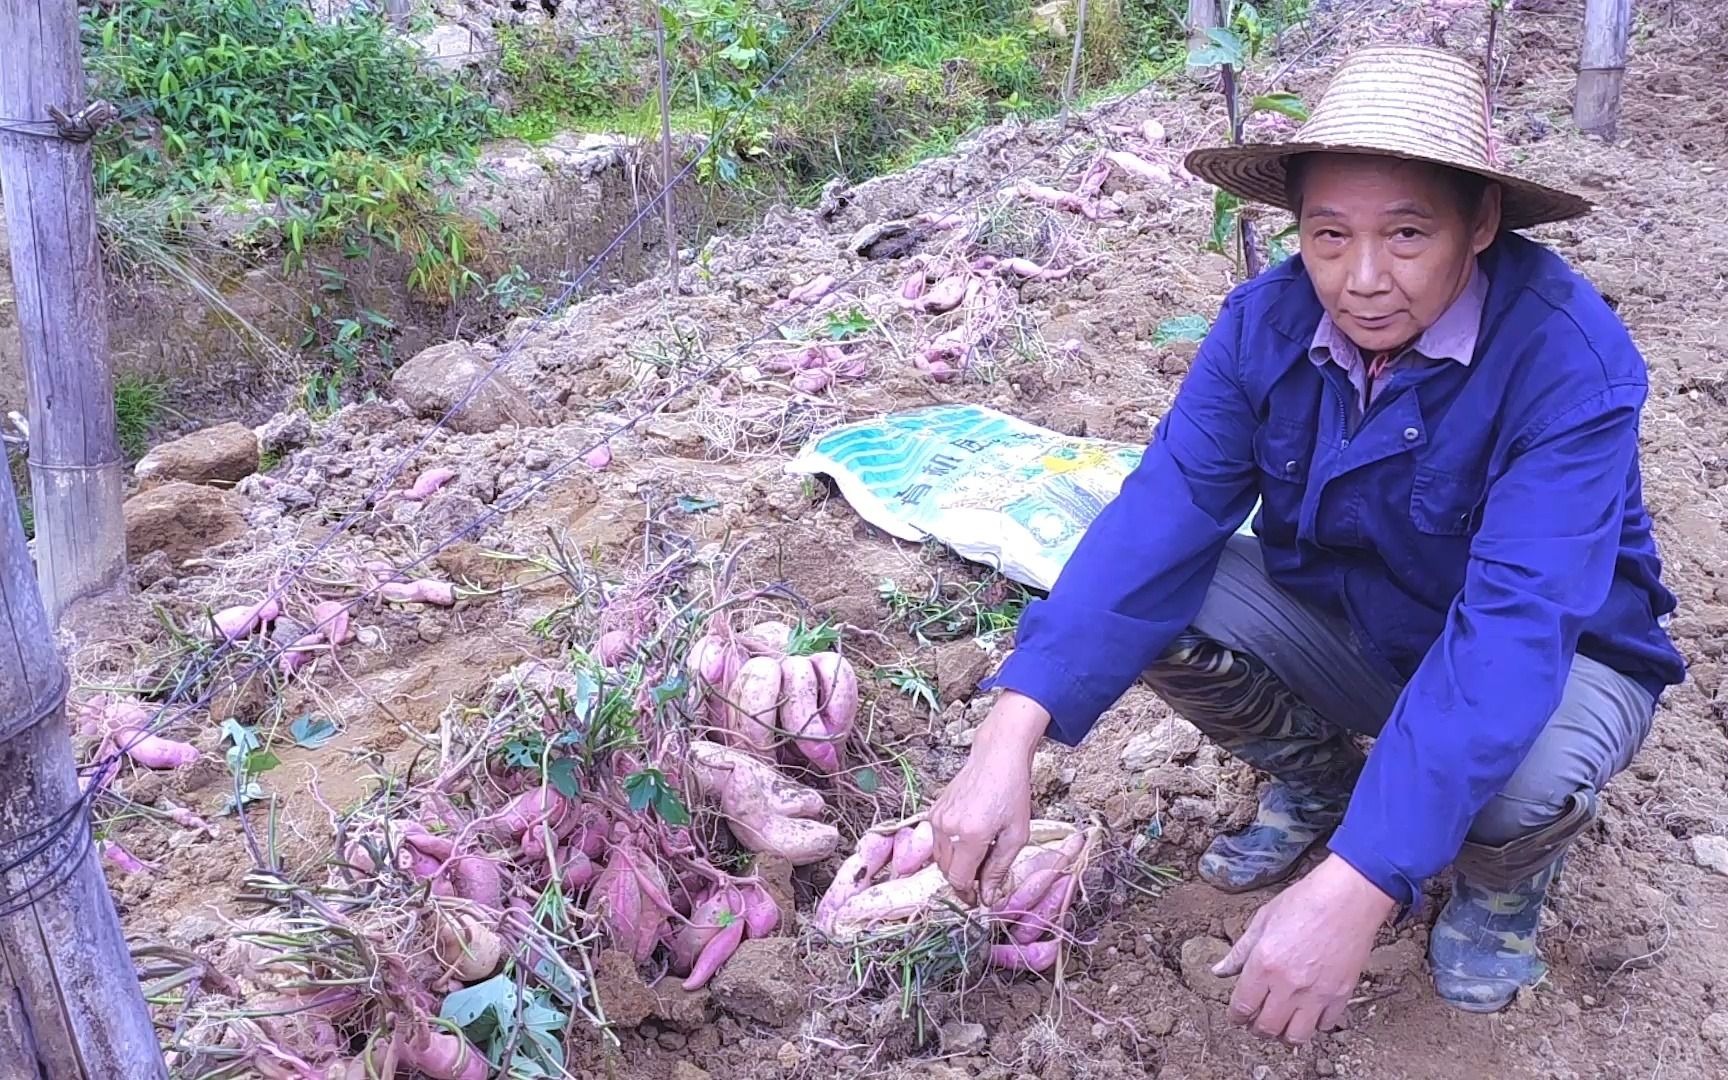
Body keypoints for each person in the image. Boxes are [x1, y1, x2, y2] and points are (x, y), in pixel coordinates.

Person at [929, 44, 1685, 1043]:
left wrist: (1360, 886)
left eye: (1408, 234)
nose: (1361, 279)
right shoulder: (1263, 327)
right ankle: (1325, 780)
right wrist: (1009, 733)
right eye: (1329, 235)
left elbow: (1514, 632)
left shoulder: (1566, 361)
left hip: (1559, 654)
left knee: (1525, 782)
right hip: (1360, 621)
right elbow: (1159, 522)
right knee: (1164, 602)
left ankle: (1499, 886)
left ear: (1482, 224)